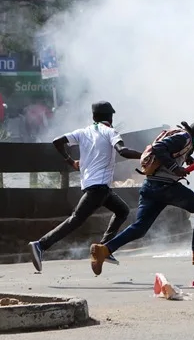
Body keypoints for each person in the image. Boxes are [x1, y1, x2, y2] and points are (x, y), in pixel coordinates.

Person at [28, 101, 142, 273]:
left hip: (94, 186)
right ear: (110, 117)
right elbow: (123, 151)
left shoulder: (83, 132)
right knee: (75, 219)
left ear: (94, 117)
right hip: (99, 188)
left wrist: (70, 161)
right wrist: (145, 155)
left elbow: (57, 141)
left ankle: (104, 248)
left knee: (122, 210)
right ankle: (40, 245)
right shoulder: (110, 132)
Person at [89, 121, 194, 275]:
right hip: (165, 187)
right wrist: (175, 168)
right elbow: (159, 148)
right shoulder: (185, 137)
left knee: (140, 228)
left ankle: (104, 250)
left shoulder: (182, 138)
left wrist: (186, 158)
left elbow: (170, 151)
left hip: (150, 186)